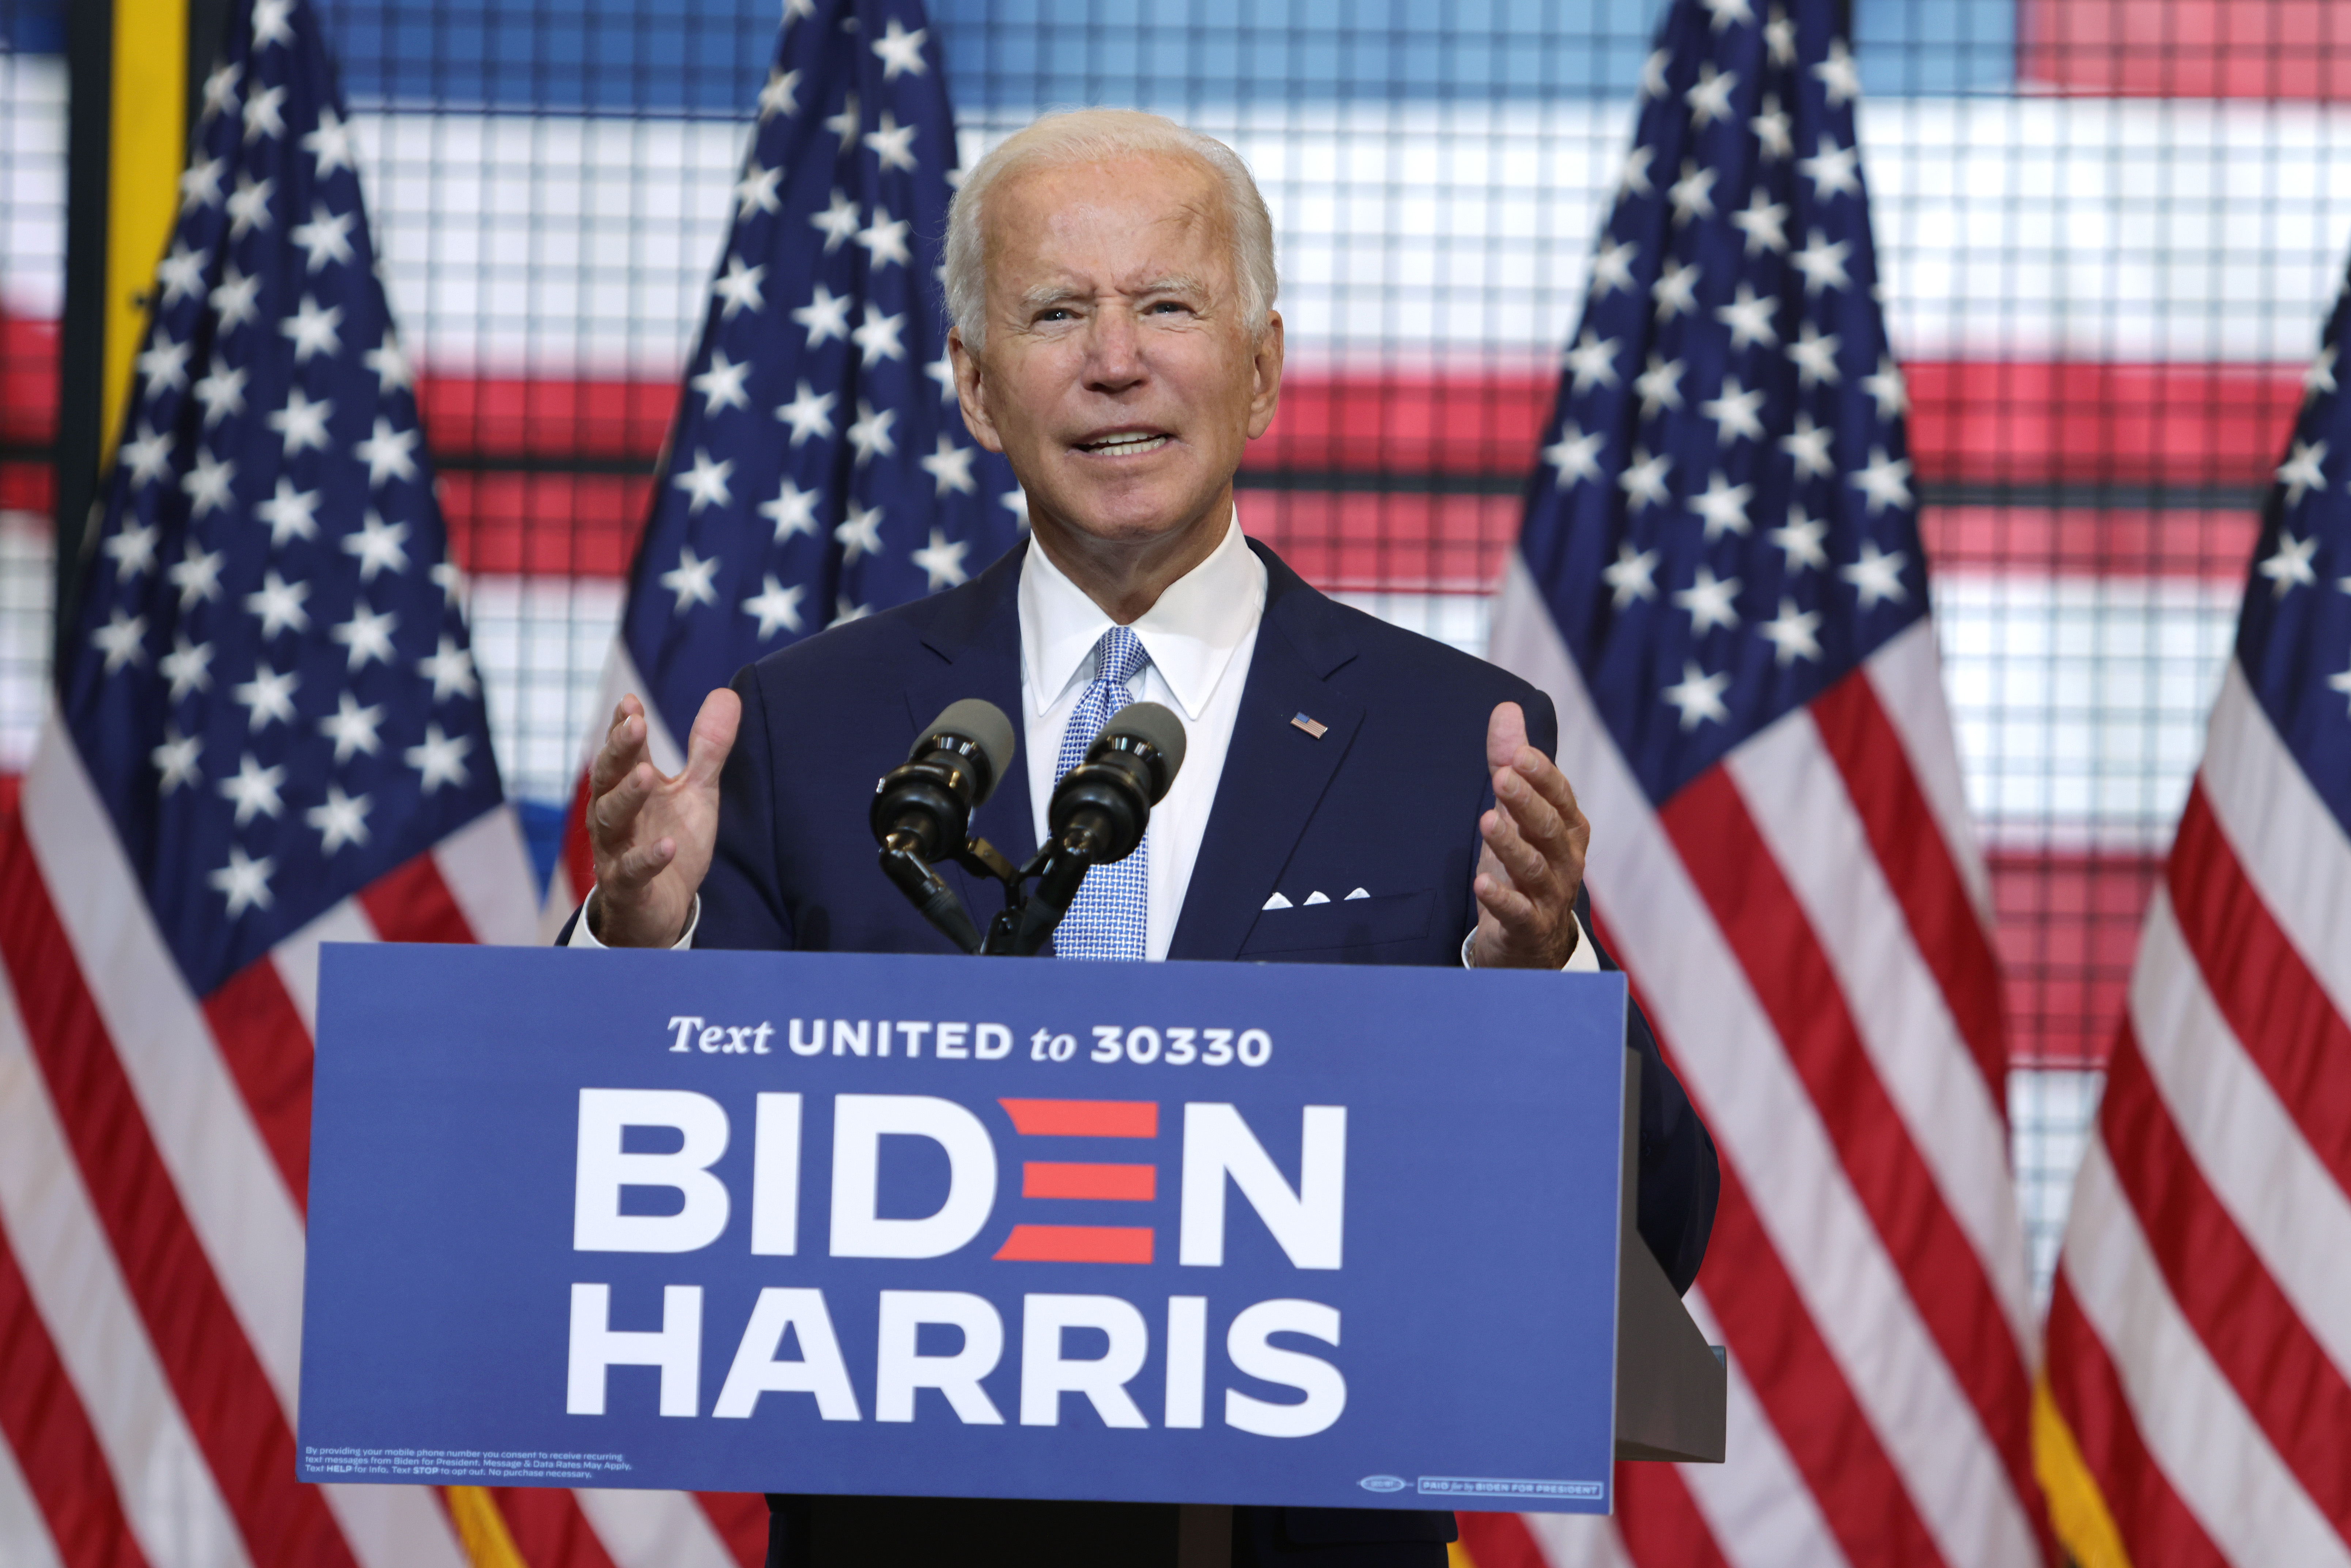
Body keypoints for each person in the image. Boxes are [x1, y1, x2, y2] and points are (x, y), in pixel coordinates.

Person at [568, 109, 1718, 1568]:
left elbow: (1657, 1232)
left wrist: (1538, 978)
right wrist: (634, 945)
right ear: (978, 388)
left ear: (1264, 367)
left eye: (1168, 305)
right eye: (1058, 312)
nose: (1117, 359)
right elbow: (626, 1210)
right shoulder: (812, 727)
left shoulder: (1454, 741)